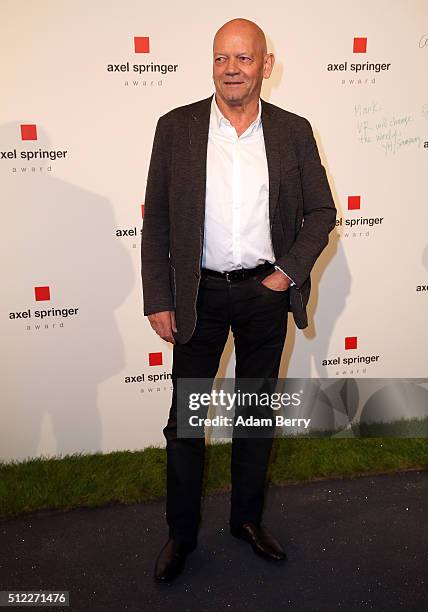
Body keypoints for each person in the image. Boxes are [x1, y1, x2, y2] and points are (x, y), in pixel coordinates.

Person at [141, 17, 336, 582]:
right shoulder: (175, 128)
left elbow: (322, 212)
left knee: (254, 416)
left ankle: (246, 520)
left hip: (263, 296)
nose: (232, 69)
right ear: (213, 63)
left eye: (243, 58)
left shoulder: (293, 130)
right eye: (222, 58)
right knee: (185, 422)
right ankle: (180, 535)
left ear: (265, 65)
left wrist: (285, 276)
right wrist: (159, 295)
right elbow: (155, 222)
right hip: (196, 295)